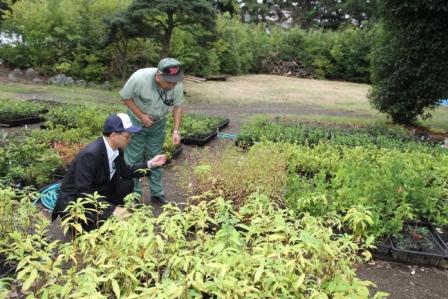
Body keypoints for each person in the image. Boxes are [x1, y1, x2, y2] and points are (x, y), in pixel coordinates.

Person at [52, 113, 167, 232]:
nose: (130, 139)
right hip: (76, 201)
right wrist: (112, 210)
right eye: (127, 136)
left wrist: (150, 164)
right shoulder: (91, 154)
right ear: (113, 135)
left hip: (97, 190)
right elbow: (83, 191)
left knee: (127, 184)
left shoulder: (116, 149)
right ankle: (78, 225)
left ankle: (110, 214)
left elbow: (126, 172)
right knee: (99, 232)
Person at [119, 58, 184, 204]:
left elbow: (178, 106)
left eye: (175, 82)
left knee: (157, 157)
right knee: (133, 158)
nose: (173, 85)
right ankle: (133, 195)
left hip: (158, 124)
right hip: (136, 123)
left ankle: (157, 193)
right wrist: (141, 116)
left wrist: (176, 131)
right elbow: (125, 96)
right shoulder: (139, 78)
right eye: (169, 82)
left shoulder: (176, 84)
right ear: (158, 76)